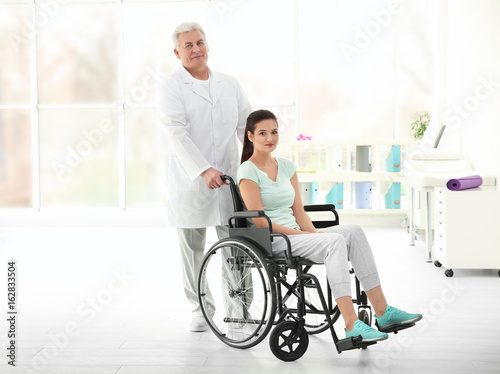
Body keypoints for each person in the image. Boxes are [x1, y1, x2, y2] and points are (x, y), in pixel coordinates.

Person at [236, 109, 422, 342]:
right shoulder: (247, 170)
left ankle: (383, 312)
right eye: (262, 133)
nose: (269, 138)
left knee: (353, 230)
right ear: (250, 136)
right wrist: (303, 235)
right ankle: (351, 324)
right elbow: (261, 221)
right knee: (334, 241)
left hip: (298, 235)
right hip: (273, 239)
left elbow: (299, 211)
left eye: (274, 132)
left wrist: (313, 233)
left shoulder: (285, 167)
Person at [157, 22, 252, 332]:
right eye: (188, 45)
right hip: (191, 182)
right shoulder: (172, 87)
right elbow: (176, 133)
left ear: (208, 46)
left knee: (237, 244)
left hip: (229, 180)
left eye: (200, 42)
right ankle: (200, 308)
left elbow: (245, 127)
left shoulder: (229, 84)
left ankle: (240, 308)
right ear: (177, 52)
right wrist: (203, 169)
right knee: (193, 247)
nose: (196, 48)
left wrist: (254, 164)